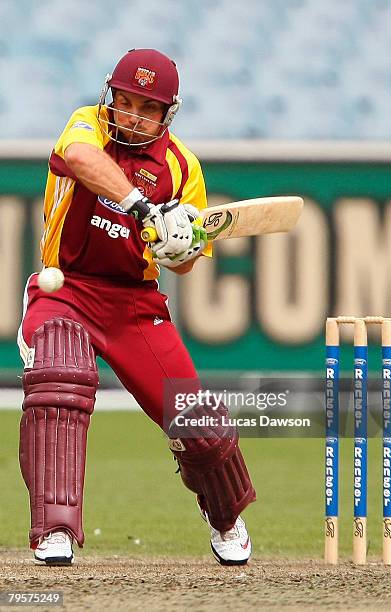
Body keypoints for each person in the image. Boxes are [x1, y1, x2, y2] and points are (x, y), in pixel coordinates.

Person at [17, 48, 256, 567]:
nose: (132, 116)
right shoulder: (86, 126)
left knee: (201, 425)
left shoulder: (182, 167)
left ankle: (225, 515)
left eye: (147, 109)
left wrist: (180, 247)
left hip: (134, 306)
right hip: (67, 291)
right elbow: (80, 161)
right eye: (124, 102)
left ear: (167, 114)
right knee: (60, 376)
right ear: (110, 97)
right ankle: (54, 530)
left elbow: (189, 261)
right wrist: (145, 207)